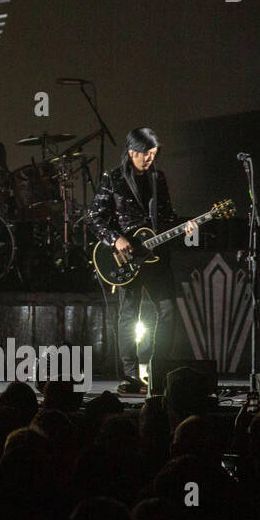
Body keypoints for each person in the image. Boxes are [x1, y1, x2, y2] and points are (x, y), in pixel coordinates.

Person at [86, 127, 196, 395]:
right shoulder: (113, 179)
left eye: (154, 154)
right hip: (126, 258)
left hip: (156, 256)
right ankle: (130, 375)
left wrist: (185, 226)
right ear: (132, 151)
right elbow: (93, 217)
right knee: (128, 314)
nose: (150, 160)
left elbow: (167, 216)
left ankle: (158, 369)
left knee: (168, 312)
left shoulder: (159, 179)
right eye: (146, 154)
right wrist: (115, 239)